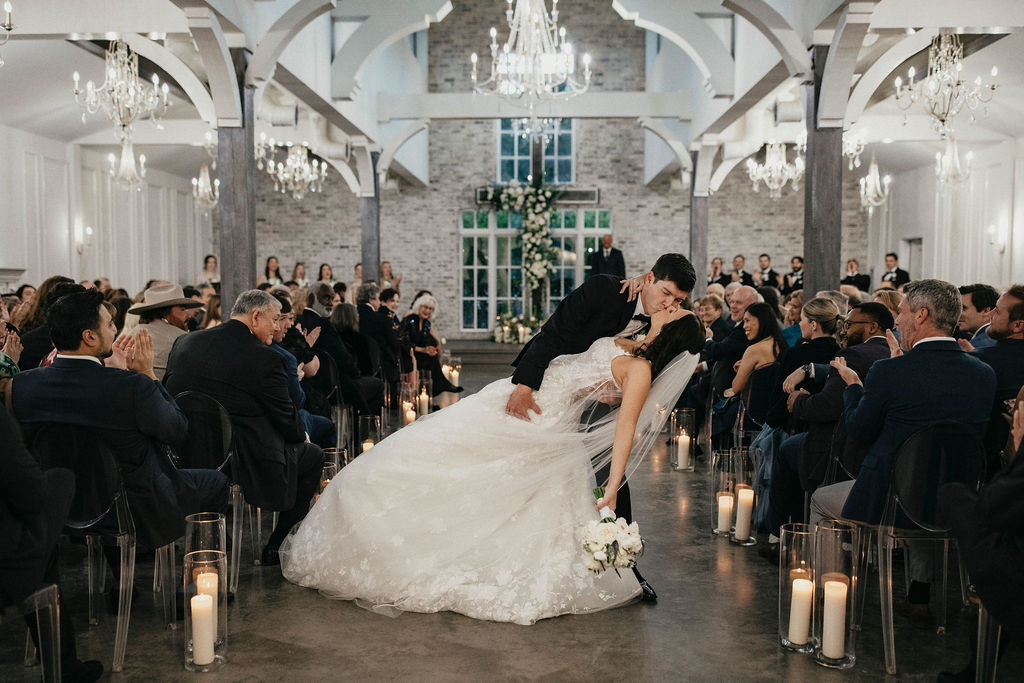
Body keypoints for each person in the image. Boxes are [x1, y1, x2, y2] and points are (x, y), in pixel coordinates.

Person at [280, 308, 706, 624]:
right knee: (430, 446)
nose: (666, 307)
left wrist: (611, 487)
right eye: (670, 300)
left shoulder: (641, 369)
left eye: (673, 310)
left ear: (672, 333)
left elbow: (625, 429)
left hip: (540, 418)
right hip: (515, 394)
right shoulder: (629, 334)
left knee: (460, 474)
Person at [506, 252, 696, 601]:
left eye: (678, 300)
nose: (669, 303)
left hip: (602, 402)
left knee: (611, 472)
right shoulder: (606, 291)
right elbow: (555, 330)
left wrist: (619, 391)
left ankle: (624, 565)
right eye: (666, 293)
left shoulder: (667, 318)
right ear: (649, 279)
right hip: (552, 382)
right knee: (522, 463)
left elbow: (666, 359)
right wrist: (524, 385)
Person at [810, 280, 995, 625]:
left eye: (903, 311)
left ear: (922, 314)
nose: (897, 320)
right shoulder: (983, 374)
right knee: (925, 492)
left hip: (889, 501)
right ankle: (919, 597)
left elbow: (860, 428)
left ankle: (827, 600)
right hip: (953, 500)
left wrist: (853, 388)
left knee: (821, 501)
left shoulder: (889, 371)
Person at [13, 291, 227, 552]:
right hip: (131, 506)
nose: (115, 330)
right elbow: (177, 430)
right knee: (216, 482)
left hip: (59, 504)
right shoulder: (131, 387)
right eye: (110, 324)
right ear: (89, 336)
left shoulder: (22, 385)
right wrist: (147, 373)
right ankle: (200, 572)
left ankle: (123, 577)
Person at [164, 290, 324, 565]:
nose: (277, 327)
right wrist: (302, 434)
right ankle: (277, 546)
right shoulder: (266, 359)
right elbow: (288, 423)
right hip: (245, 461)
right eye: (274, 319)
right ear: (255, 316)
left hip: (186, 453)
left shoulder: (185, 342)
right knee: (313, 455)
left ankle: (213, 537)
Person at [0, 410, 104, 682]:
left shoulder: (23, 390)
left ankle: (64, 662)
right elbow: (30, 495)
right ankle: (63, 664)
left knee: (42, 542)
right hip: (6, 562)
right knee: (60, 480)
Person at [129, 283, 203, 380]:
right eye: (182, 309)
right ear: (165, 313)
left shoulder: (133, 333)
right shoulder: (184, 340)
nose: (188, 315)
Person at [402, 294, 462, 395]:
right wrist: (423, 350)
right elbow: (404, 343)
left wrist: (430, 348)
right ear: (419, 306)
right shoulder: (409, 320)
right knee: (430, 359)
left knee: (432, 356)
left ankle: (430, 391)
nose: (428, 311)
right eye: (425, 307)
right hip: (408, 354)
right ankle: (434, 389)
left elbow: (426, 341)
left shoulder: (426, 323)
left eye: (431, 309)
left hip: (419, 353)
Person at [727, 302, 786, 398]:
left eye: (747, 320)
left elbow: (736, 388)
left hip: (755, 408)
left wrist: (742, 371)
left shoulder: (754, 350)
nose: (744, 326)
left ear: (761, 320)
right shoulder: (781, 344)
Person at [957, 283, 998, 348]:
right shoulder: (995, 340)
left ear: (986, 311)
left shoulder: (977, 346)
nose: (957, 313)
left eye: (963, 308)